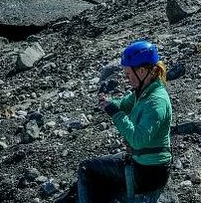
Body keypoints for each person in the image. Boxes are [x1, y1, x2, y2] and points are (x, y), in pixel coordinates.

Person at [57, 39, 172, 203]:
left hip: (149, 173)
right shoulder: (144, 91)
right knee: (99, 171)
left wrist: (116, 114)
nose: (126, 78)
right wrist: (110, 104)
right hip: (144, 163)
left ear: (141, 71)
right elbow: (124, 104)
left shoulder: (156, 102)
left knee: (86, 168)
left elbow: (138, 140)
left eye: (128, 73)